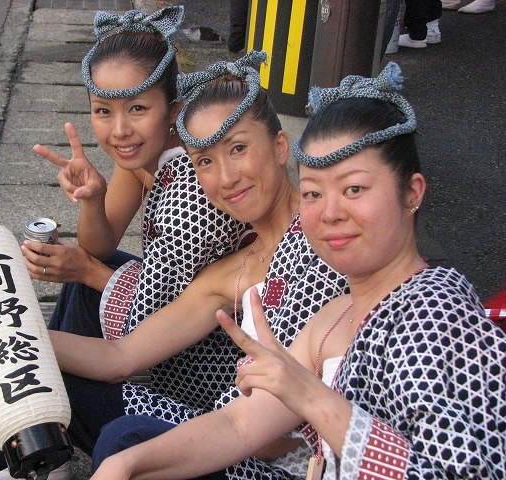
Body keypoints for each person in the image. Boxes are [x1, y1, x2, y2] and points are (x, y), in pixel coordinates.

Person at [0, 50, 348, 480]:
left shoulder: (326, 243)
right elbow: (121, 355)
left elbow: (271, 436)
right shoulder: (234, 267)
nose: (226, 177)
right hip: (223, 422)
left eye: (238, 149)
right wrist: (9, 332)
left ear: (279, 145)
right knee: (42, 378)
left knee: (125, 437)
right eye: (206, 162)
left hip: (271, 459)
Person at [91, 62, 506, 479]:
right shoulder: (333, 317)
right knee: (126, 446)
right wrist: (126, 464)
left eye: (354, 189)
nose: (329, 213)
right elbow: (238, 424)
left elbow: (457, 473)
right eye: (312, 193)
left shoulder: (434, 311)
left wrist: (309, 397)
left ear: (411, 192)